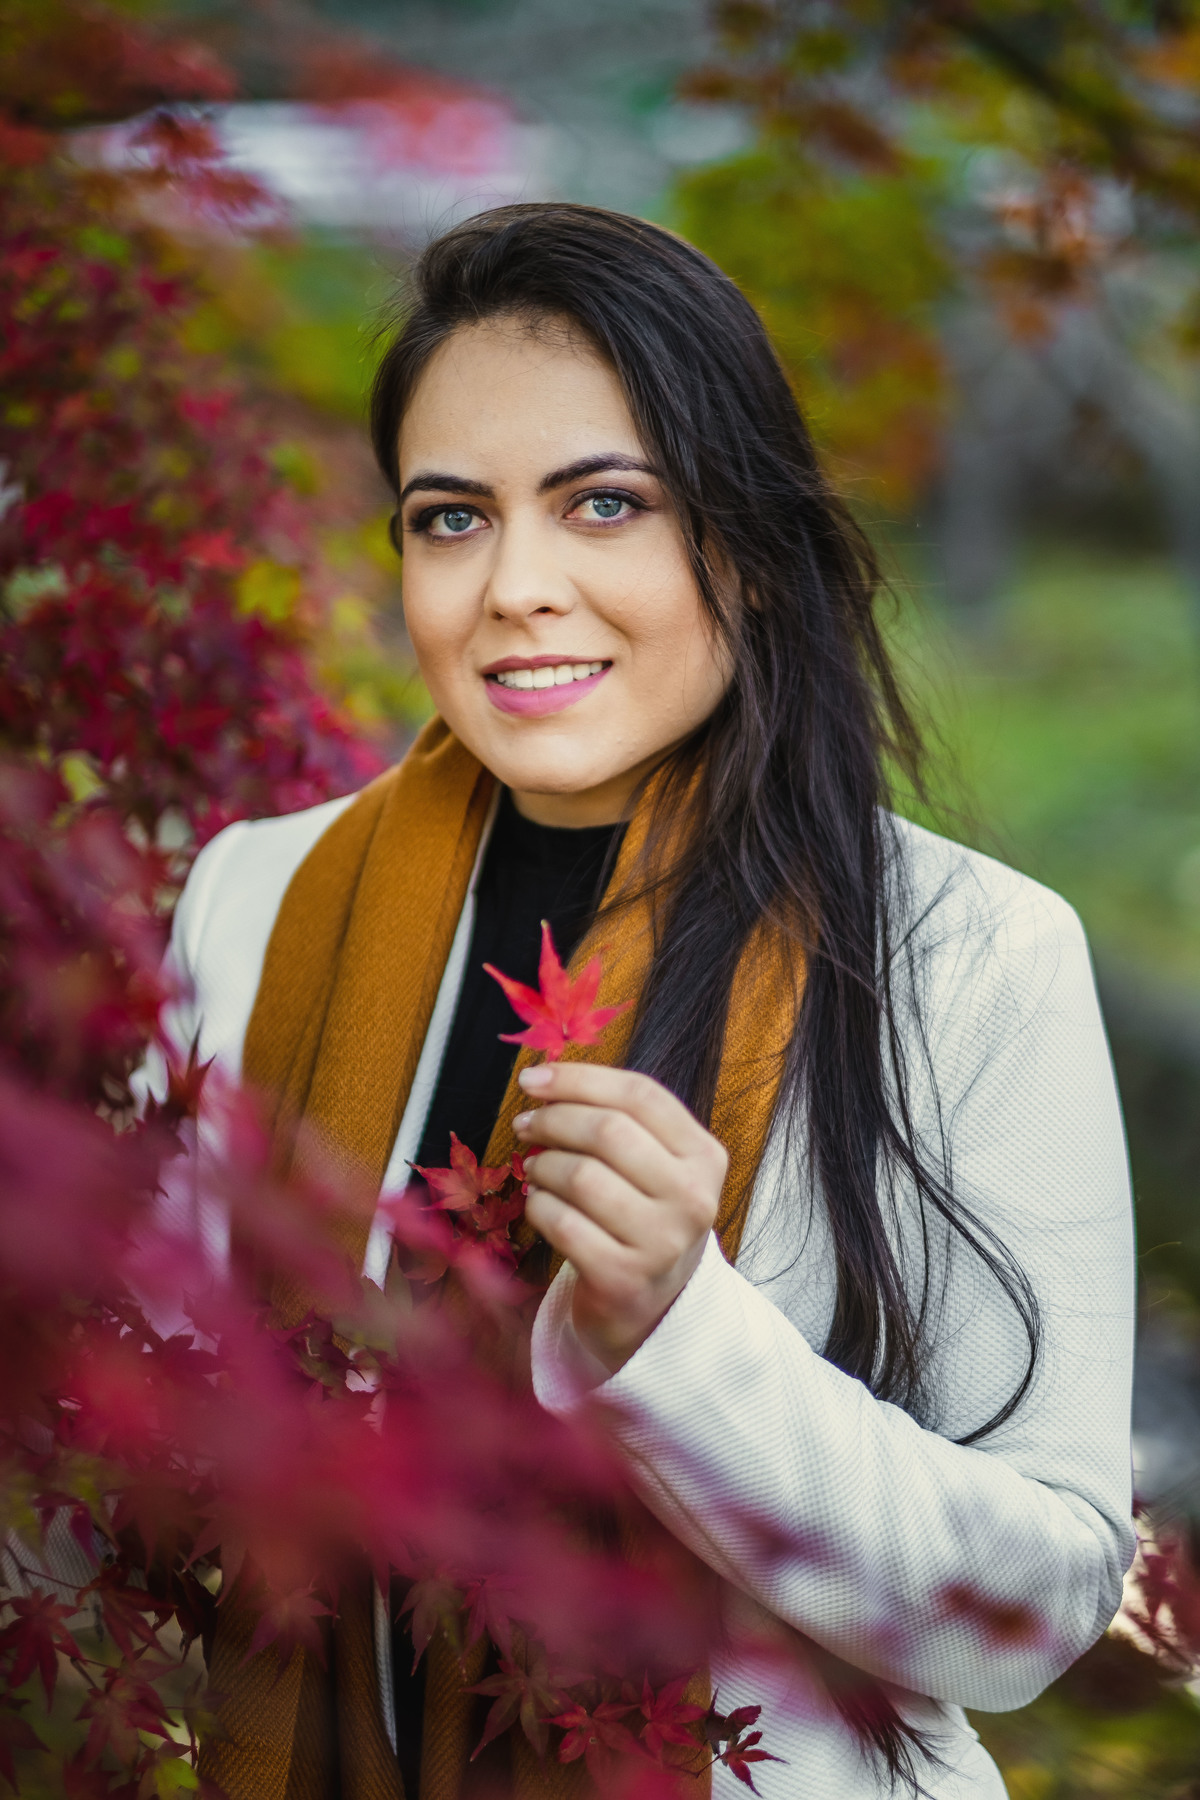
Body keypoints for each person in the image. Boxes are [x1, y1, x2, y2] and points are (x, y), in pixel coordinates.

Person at [154, 204, 1135, 1799]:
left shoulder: (970, 955)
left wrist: (679, 1332)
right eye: (451, 518)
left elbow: (1029, 1619)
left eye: (605, 504)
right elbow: (134, 1441)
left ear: (743, 545)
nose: (518, 586)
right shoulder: (257, 901)